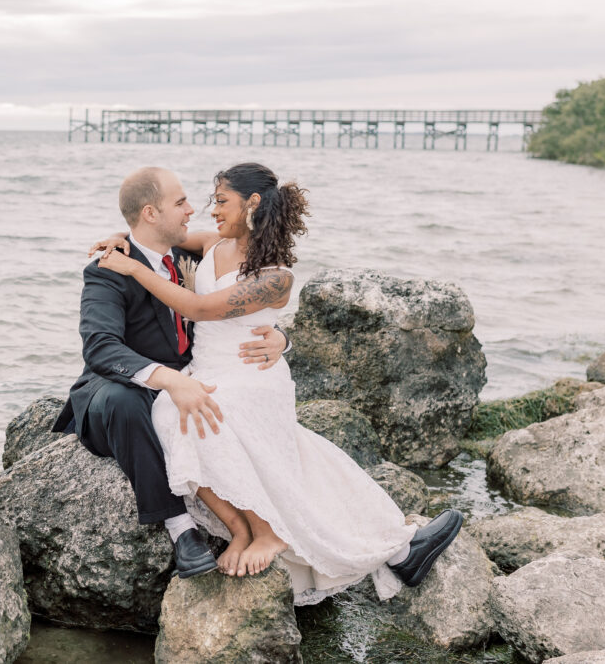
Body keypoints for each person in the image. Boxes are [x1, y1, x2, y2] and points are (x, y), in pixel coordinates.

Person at [96, 162, 463, 605]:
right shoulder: (213, 244)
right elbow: (157, 239)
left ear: (252, 204)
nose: (211, 210)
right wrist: (122, 241)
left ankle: (269, 533)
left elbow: (197, 307)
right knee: (170, 413)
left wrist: (134, 271)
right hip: (208, 369)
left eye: (221, 201)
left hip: (252, 376)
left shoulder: (275, 276)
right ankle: (244, 528)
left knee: (196, 418)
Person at [50, 166, 291, 579]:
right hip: (120, 385)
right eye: (180, 203)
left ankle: (258, 526)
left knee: (207, 411)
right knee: (129, 403)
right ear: (149, 212)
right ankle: (181, 529)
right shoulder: (108, 270)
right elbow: (100, 348)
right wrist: (171, 379)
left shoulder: (188, 254)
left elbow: (234, 309)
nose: (192, 210)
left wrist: (282, 339)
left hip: (200, 373)